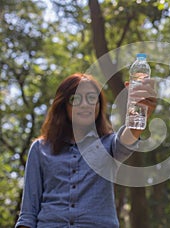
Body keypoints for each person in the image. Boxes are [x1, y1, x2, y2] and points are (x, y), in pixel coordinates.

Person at [15, 73, 156, 228]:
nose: (84, 104)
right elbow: (28, 214)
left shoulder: (109, 145)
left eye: (91, 98)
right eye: (75, 99)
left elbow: (128, 137)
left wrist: (138, 116)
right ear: (63, 105)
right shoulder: (40, 148)